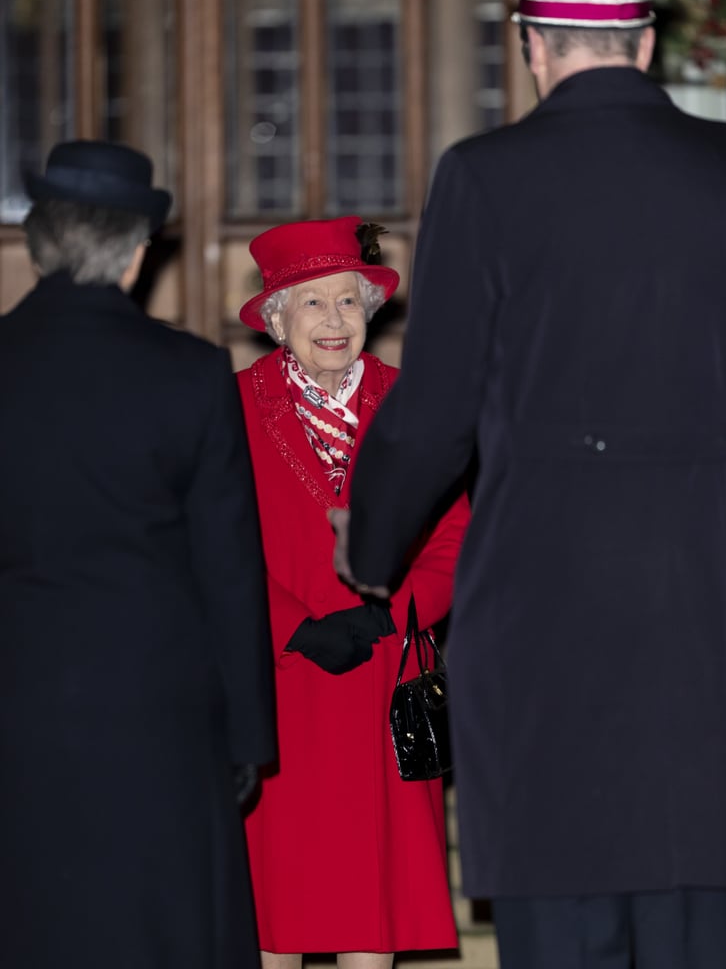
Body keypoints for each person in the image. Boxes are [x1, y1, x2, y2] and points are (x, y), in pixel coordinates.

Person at [331, 0, 726, 969]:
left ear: (532, 47)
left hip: (546, 592)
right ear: (645, 42)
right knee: (708, 879)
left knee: (561, 885)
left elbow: (434, 410)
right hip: (719, 582)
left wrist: (373, 547)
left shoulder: (486, 176)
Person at [0, 139, 276, 969]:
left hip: (16, 699)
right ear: (135, 255)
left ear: (41, 242)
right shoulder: (190, 373)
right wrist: (249, 735)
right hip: (158, 710)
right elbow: (229, 568)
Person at [235, 216, 469, 969]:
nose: (333, 322)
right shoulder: (231, 407)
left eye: (348, 302)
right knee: (274, 916)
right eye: (311, 303)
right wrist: (292, 628)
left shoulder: (410, 404)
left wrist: (391, 614)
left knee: (373, 924)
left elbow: (454, 537)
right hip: (279, 685)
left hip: (384, 679)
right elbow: (208, 544)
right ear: (276, 319)